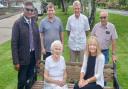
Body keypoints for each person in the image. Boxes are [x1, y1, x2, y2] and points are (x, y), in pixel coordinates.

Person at [11, 1, 41, 89]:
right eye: (28, 10)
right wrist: (16, 62)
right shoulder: (17, 24)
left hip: (33, 57)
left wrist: (38, 57)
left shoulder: (35, 23)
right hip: (22, 58)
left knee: (30, 80)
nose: (30, 12)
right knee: (22, 81)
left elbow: (38, 42)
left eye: (32, 10)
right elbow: (14, 43)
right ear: (24, 10)